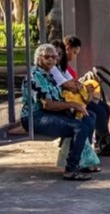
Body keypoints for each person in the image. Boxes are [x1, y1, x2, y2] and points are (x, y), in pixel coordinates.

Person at [21, 43, 96, 181]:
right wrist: (72, 104)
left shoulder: (49, 75)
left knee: (89, 117)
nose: (51, 60)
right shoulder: (35, 76)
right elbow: (47, 105)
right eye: (46, 57)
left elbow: (59, 96)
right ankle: (71, 169)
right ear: (38, 59)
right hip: (35, 117)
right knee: (79, 128)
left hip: (50, 113)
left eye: (54, 57)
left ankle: (84, 160)